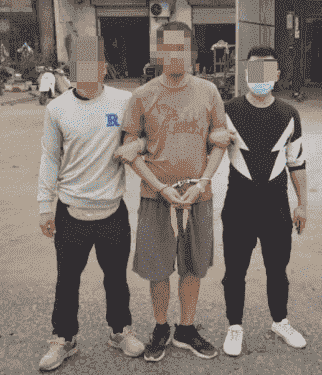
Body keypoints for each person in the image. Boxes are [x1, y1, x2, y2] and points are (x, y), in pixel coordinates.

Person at [119, 21, 228, 363]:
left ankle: (186, 328)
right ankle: (161, 327)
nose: (174, 55)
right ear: (158, 52)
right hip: (156, 198)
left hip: (198, 197)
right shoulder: (142, 96)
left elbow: (220, 142)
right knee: (158, 267)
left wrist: (203, 182)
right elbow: (130, 150)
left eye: (181, 48)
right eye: (168, 48)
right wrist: (160, 187)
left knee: (193, 266)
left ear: (192, 52)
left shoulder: (209, 92)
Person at [37, 55, 146, 371]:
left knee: (116, 278)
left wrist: (137, 145)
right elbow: (50, 157)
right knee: (67, 280)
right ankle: (63, 338)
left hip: (112, 210)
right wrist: (45, 207)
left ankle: (120, 331)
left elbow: (147, 133)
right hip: (71, 211)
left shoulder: (123, 101)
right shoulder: (57, 109)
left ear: (103, 68)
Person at [209, 46, 308, 357]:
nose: (261, 76)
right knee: (234, 272)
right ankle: (234, 326)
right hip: (238, 207)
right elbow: (207, 150)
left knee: (277, 269)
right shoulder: (227, 110)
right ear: (246, 73)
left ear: (277, 75)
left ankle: (280, 321)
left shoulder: (289, 114)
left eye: (267, 70)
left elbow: (297, 163)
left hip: (276, 208)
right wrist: (210, 139)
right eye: (255, 70)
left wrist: (302, 204)